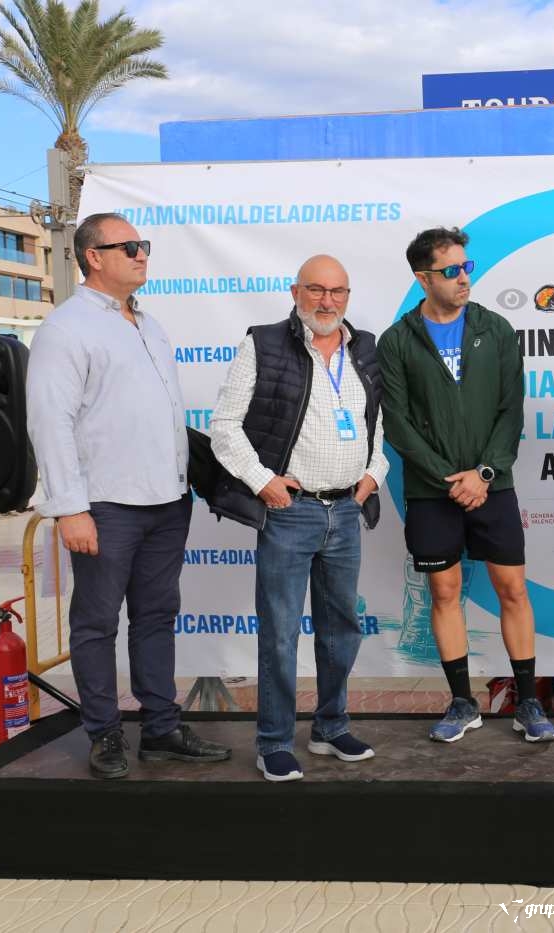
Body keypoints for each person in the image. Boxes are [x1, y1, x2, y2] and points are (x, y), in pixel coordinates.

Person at [27, 212, 230, 779]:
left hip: (167, 500)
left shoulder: (150, 324)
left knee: (157, 617)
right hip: (105, 505)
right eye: (130, 247)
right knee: (96, 623)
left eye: (144, 246)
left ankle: (161, 729)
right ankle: (104, 733)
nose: (142, 254)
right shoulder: (66, 329)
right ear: (93, 257)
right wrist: (70, 508)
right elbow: (50, 423)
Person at [210, 254, 388, 782]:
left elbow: (376, 423)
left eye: (337, 291)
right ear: (295, 292)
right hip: (291, 513)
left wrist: (373, 474)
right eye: (316, 289)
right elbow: (224, 426)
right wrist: (262, 480)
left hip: (345, 511)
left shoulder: (364, 348)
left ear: (348, 296)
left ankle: (331, 727)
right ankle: (273, 743)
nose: (327, 301)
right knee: (281, 633)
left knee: (341, 631)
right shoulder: (264, 344)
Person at [378, 226, 554, 744]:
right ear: (423, 279)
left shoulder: (495, 329)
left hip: (492, 485)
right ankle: (462, 701)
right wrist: (447, 479)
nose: (463, 278)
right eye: (451, 270)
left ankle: (528, 702)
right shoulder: (397, 341)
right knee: (444, 592)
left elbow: (511, 410)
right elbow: (398, 424)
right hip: (431, 492)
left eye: (467, 267)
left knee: (513, 589)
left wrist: (484, 474)